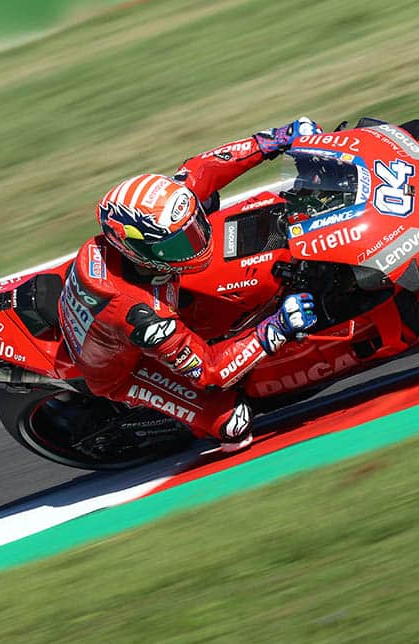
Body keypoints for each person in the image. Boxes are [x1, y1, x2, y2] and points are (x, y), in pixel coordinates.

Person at [57, 118, 323, 452]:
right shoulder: (143, 315)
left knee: (241, 262)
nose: (196, 241)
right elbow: (211, 371)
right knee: (233, 424)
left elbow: (204, 169)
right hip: (126, 368)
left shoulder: (153, 227)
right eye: (181, 243)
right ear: (137, 250)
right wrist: (276, 328)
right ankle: (177, 421)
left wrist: (273, 140)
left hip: (129, 309)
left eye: (193, 230)